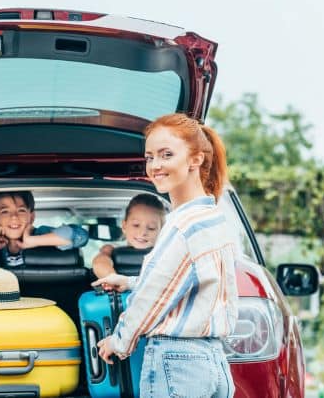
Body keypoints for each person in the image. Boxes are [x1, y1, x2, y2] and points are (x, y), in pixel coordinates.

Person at [93, 114, 239, 397]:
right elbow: (197, 282)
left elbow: (151, 298)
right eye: (149, 157)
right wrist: (130, 281)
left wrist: (119, 341)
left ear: (195, 160)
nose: (155, 166)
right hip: (214, 362)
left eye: (166, 155)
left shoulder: (182, 225)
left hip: (177, 363)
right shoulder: (213, 219)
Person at [92, 193, 165, 282]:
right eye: (136, 225)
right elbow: (99, 263)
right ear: (124, 226)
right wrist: (112, 277)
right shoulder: (112, 248)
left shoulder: (165, 251)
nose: (143, 233)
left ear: (161, 230)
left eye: (151, 228)